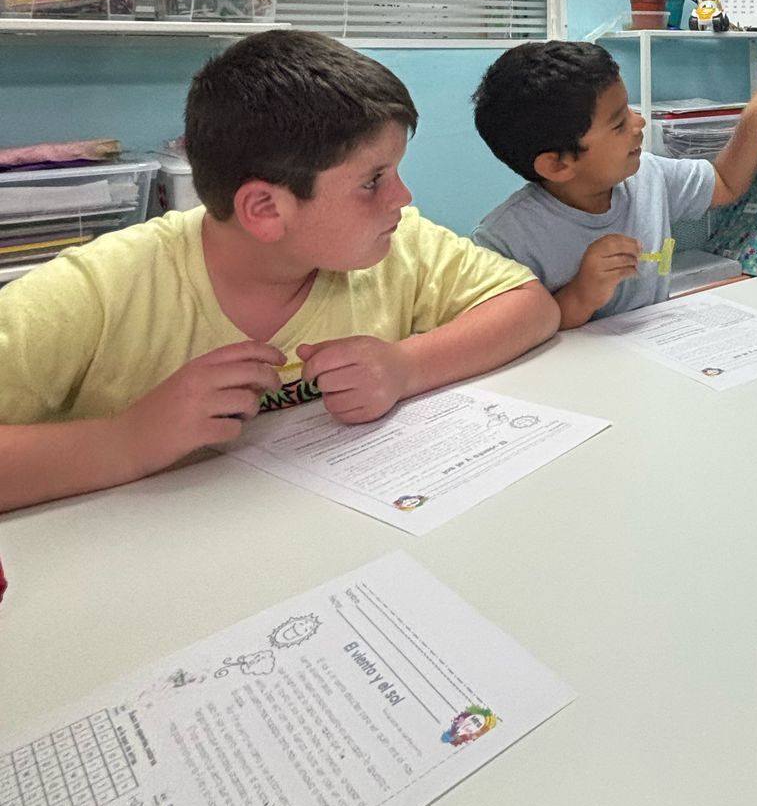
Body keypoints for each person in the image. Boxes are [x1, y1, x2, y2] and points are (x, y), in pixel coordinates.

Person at [0, 31, 558, 515]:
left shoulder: (398, 244)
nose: (403, 197)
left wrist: (406, 366)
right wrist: (125, 441)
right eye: (373, 181)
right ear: (266, 209)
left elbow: (531, 305)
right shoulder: (101, 289)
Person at [473, 38, 757, 327]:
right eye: (618, 124)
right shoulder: (503, 242)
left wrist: (755, 118)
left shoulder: (647, 176)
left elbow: (724, 183)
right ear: (558, 164)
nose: (639, 122)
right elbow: (507, 338)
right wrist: (579, 295)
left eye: (629, 109)